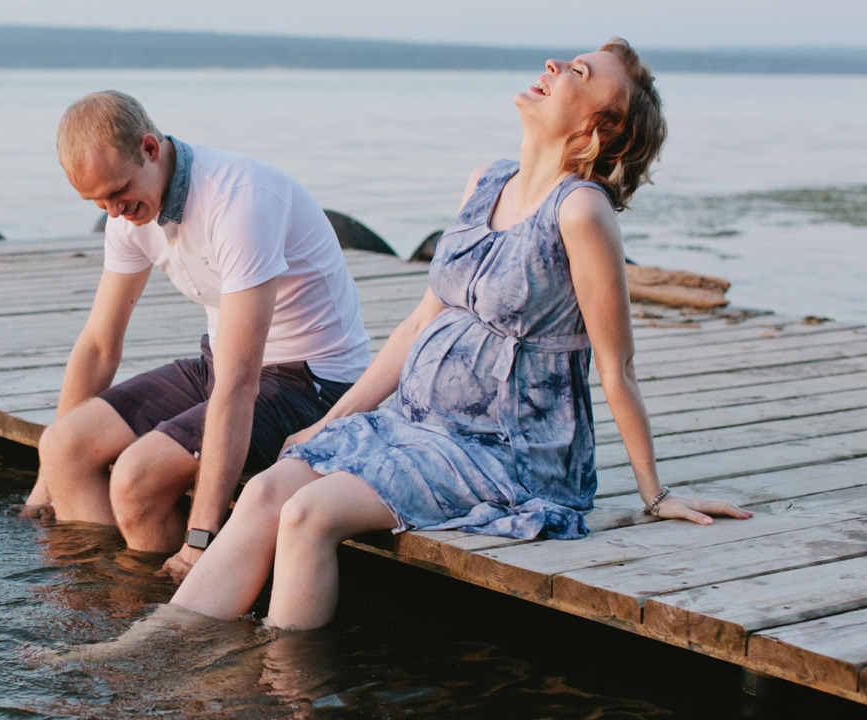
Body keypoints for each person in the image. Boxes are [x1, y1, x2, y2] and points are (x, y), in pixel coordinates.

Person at [158, 38, 754, 631]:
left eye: (579, 71)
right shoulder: (485, 181)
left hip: (509, 450)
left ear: (602, 125)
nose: (552, 65)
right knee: (267, 491)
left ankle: (286, 687)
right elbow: (420, 322)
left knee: (308, 515)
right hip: (419, 425)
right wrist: (329, 421)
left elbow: (616, 365)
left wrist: (655, 493)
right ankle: (155, 644)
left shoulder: (579, 212)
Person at [25, 91, 372, 580]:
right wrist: (47, 483)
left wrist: (199, 541)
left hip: (311, 383)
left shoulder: (239, 202)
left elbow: (239, 385)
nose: (115, 211)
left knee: (135, 479)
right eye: (98, 201)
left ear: (149, 148)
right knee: (63, 447)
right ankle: (101, 605)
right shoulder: (127, 210)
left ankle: (170, 618)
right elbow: (100, 344)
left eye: (118, 192)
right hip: (223, 362)